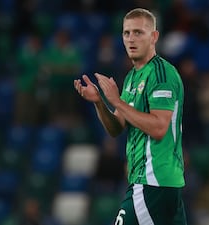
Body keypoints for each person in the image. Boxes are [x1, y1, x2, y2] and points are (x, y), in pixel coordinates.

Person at [74, 8, 187, 225]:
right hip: (152, 183)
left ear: (154, 37)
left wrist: (117, 101)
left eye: (138, 32)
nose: (131, 39)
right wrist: (100, 102)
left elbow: (158, 128)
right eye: (126, 33)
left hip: (153, 183)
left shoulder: (161, 74)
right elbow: (116, 128)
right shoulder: (132, 78)